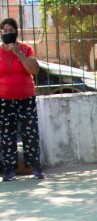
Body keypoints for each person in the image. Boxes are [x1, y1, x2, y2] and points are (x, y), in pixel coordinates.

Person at [0, 17, 43, 181]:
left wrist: (18, 54)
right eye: (5, 31)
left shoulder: (26, 49)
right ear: (1, 33)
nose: (8, 33)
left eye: (11, 31)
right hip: (5, 100)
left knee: (30, 132)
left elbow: (34, 70)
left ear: (16, 32)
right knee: (7, 135)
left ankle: (36, 167)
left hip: (26, 98)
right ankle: (9, 170)